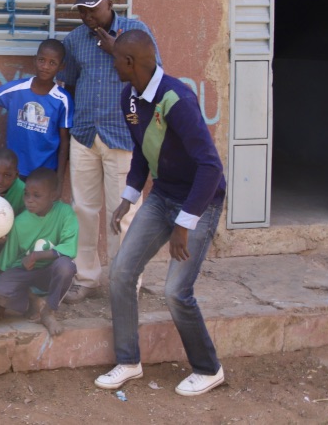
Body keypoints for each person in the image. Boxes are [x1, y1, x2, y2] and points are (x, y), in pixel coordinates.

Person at [94, 31, 227, 397]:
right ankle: (128, 361)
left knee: (175, 291)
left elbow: (210, 167)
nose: (113, 63)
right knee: (121, 272)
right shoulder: (130, 98)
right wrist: (129, 196)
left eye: (117, 59)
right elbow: (141, 149)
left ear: (131, 63)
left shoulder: (177, 99)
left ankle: (208, 368)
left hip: (199, 202)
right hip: (162, 195)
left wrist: (185, 224)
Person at [60, 0, 160, 304]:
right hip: (86, 135)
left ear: (110, 4)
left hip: (123, 136)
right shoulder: (74, 40)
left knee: (124, 214)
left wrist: (117, 49)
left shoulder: (134, 31)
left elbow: (154, 77)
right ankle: (86, 277)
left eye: (93, 9)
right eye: (82, 10)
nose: (87, 16)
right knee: (83, 211)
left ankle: (125, 282)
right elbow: (72, 83)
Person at [0, 168, 78, 337]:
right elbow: (6, 261)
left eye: (36, 195)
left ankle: (48, 311)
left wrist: (36, 255)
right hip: (25, 272)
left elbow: (69, 249)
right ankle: (31, 301)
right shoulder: (20, 222)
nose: (29, 201)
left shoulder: (65, 213)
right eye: (26, 194)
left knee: (66, 266)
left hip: (50, 271)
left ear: (53, 195)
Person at [0, 39, 73, 184]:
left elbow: (64, 142)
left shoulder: (63, 99)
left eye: (52, 63)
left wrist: (59, 180)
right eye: (41, 60)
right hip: (15, 170)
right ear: (35, 60)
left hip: (45, 172)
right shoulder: (17, 89)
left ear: (61, 66)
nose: (45, 66)